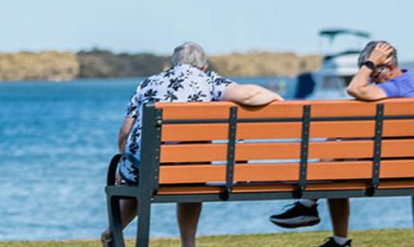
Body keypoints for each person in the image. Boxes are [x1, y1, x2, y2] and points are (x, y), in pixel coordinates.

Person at [103, 42, 284, 247]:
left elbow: (124, 133)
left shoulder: (148, 83)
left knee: (139, 175)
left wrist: (124, 162)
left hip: (146, 170)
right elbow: (249, 95)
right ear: (204, 67)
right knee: (192, 172)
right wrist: (278, 99)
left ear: (171, 65)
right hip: (191, 173)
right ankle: (188, 243)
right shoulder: (209, 81)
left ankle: (113, 231)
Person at [267, 41, 414, 247]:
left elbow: (354, 88)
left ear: (388, 66)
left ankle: (307, 206)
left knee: (335, 157)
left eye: (374, 75)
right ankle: (336, 238)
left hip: (399, 167)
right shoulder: (409, 82)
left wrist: (368, 64)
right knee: (336, 155)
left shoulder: (397, 85)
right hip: (411, 162)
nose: (372, 81)